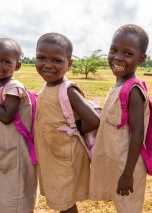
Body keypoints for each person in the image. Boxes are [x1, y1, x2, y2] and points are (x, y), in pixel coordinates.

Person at [34, 33, 100, 213]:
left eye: (56, 60)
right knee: (60, 197)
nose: (48, 65)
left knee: (66, 202)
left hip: (65, 157)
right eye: (41, 58)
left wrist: (74, 129)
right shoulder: (46, 86)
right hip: (53, 155)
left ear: (68, 64)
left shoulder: (68, 90)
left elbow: (94, 120)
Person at [89, 24, 150, 213]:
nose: (117, 57)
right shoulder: (118, 86)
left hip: (128, 168)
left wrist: (127, 174)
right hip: (118, 164)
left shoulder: (133, 91)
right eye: (113, 50)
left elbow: (138, 134)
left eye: (127, 53)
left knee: (128, 208)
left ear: (141, 59)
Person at [0, 38, 38, 212]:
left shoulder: (13, 88)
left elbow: (6, 117)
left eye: (5, 61)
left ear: (17, 66)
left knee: (16, 201)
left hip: (17, 156)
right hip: (7, 153)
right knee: (10, 199)